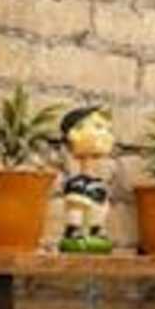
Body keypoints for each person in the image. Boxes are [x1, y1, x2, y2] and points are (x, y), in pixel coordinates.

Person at [53, 104, 117, 252]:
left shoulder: (98, 183)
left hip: (94, 186)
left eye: (108, 129)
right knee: (77, 203)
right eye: (98, 127)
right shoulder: (77, 183)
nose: (106, 134)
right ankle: (73, 230)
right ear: (74, 133)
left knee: (99, 206)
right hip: (81, 186)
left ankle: (96, 230)